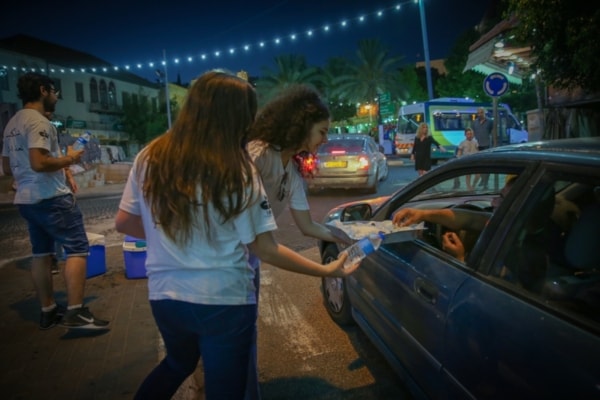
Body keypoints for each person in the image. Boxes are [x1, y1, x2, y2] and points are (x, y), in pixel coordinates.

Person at [114, 70, 359, 400]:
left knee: (176, 365)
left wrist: (177, 239)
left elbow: (125, 222)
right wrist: (326, 269)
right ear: (235, 116)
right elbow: (265, 248)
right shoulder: (239, 167)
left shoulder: (150, 155)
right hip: (224, 301)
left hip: (165, 295)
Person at [245, 84, 351, 399]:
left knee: (246, 337)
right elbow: (263, 245)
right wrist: (328, 270)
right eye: (322, 131)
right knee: (237, 343)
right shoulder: (258, 155)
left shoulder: (290, 168)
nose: (326, 140)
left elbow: (306, 225)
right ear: (301, 126)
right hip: (224, 261)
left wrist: (344, 235)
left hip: (246, 261)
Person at [1, 72, 109, 330]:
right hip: (51, 198)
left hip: (27, 200)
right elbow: (39, 163)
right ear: (43, 90)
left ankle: (48, 310)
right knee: (78, 249)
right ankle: (75, 312)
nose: (57, 97)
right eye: (54, 92)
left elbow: (6, 168)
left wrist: (60, 169)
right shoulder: (39, 122)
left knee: (41, 253)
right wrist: (71, 158)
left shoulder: (12, 123)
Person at [393, 175, 519, 261]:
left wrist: (459, 258)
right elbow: (470, 219)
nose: (493, 202)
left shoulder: (523, 250)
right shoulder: (510, 224)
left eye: (501, 198)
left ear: (518, 205)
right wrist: (422, 214)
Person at [471, 107, 493, 188]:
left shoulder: (490, 122)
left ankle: (485, 182)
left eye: (481, 113)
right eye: (478, 113)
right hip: (477, 146)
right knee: (479, 165)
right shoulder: (474, 123)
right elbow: (473, 133)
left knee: (487, 165)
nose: (479, 114)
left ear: (484, 113)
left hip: (486, 145)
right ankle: (482, 180)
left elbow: (492, 132)